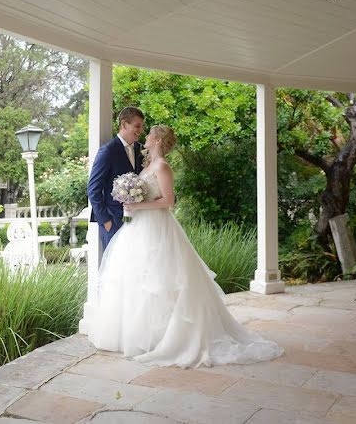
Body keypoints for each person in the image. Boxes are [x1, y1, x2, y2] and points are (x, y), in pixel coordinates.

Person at [88, 125, 284, 368]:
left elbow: (168, 201)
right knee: (137, 279)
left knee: (162, 280)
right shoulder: (147, 166)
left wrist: (137, 206)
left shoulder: (162, 167)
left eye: (149, 134)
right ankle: (140, 336)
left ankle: (167, 338)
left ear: (158, 140)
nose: (146, 137)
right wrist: (128, 200)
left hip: (157, 228)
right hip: (137, 227)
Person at [87, 106, 145, 264]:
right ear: (124, 124)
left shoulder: (141, 150)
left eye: (142, 126)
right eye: (137, 126)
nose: (141, 130)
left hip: (138, 221)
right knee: (114, 268)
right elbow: (93, 190)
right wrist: (105, 221)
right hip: (113, 222)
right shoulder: (108, 151)